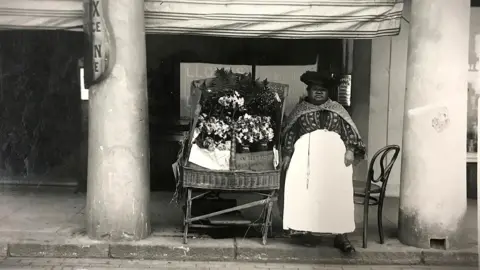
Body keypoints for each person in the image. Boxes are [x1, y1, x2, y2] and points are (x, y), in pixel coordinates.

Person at [279, 71, 366, 254]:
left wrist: (350, 150)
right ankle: (309, 231)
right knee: (307, 194)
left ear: (328, 92)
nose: (318, 93)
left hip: (334, 158)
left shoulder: (337, 109)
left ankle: (341, 235)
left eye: (323, 90)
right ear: (308, 91)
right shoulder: (300, 109)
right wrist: (287, 154)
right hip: (306, 158)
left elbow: (349, 131)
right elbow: (290, 133)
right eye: (314, 89)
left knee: (338, 193)